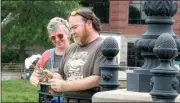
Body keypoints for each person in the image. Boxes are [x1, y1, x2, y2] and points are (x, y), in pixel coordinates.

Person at [44, 7, 106, 102]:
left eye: (75, 27)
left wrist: (65, 86)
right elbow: (60, 73)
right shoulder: (71, 48)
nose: (71, 32)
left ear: (89, 24)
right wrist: (53, 78)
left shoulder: (104, 46)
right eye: (70, 28)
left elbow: (98, 79)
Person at [30, 17, 71, 86]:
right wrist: (33, 78)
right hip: (50, 95)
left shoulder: (78, 52)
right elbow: (35, 74)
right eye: (53, 37)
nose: (57, 40)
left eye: (60, 36)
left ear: (68, 34)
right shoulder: (47, 54)